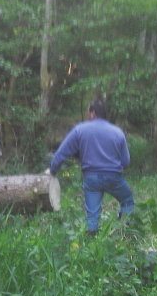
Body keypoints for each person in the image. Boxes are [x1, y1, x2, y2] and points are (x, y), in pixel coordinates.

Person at [48, 100, 134, 235]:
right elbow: (126, 161)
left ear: (93, 113)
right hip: (113, 177)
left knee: (92, 213)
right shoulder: (117, 132)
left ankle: (92, 241)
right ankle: (124, 231)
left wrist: (53, 170)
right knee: (127, 201)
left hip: (91, 178)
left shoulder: (80, 130)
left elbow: (62, 153)